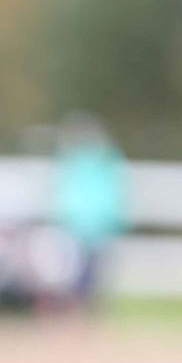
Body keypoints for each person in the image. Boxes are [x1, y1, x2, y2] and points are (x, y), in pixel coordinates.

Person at [53, 112, 128, 309]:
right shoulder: (89, 163)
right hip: (80, 227)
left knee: (92, 275)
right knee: (77, 275)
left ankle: (85, 312)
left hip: (94, 227)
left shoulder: (102, 163)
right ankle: (77, 311)